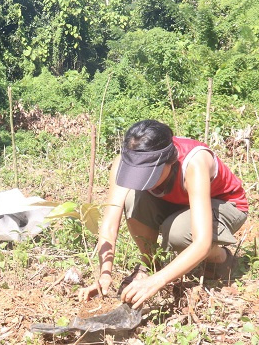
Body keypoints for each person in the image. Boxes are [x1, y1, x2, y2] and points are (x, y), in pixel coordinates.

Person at [79, 120, 247, 309]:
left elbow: (202, 242)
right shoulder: (127, 160)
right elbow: (110, 222)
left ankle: (221, 258)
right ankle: (150, 264)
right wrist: (104, 274)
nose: (144, 182)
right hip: (178, 203)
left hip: (224, 205)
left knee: (177, 232)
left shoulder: (194, 162)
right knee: (133, 199)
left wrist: (157, 281)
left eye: (149, 174)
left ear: (171, 160)